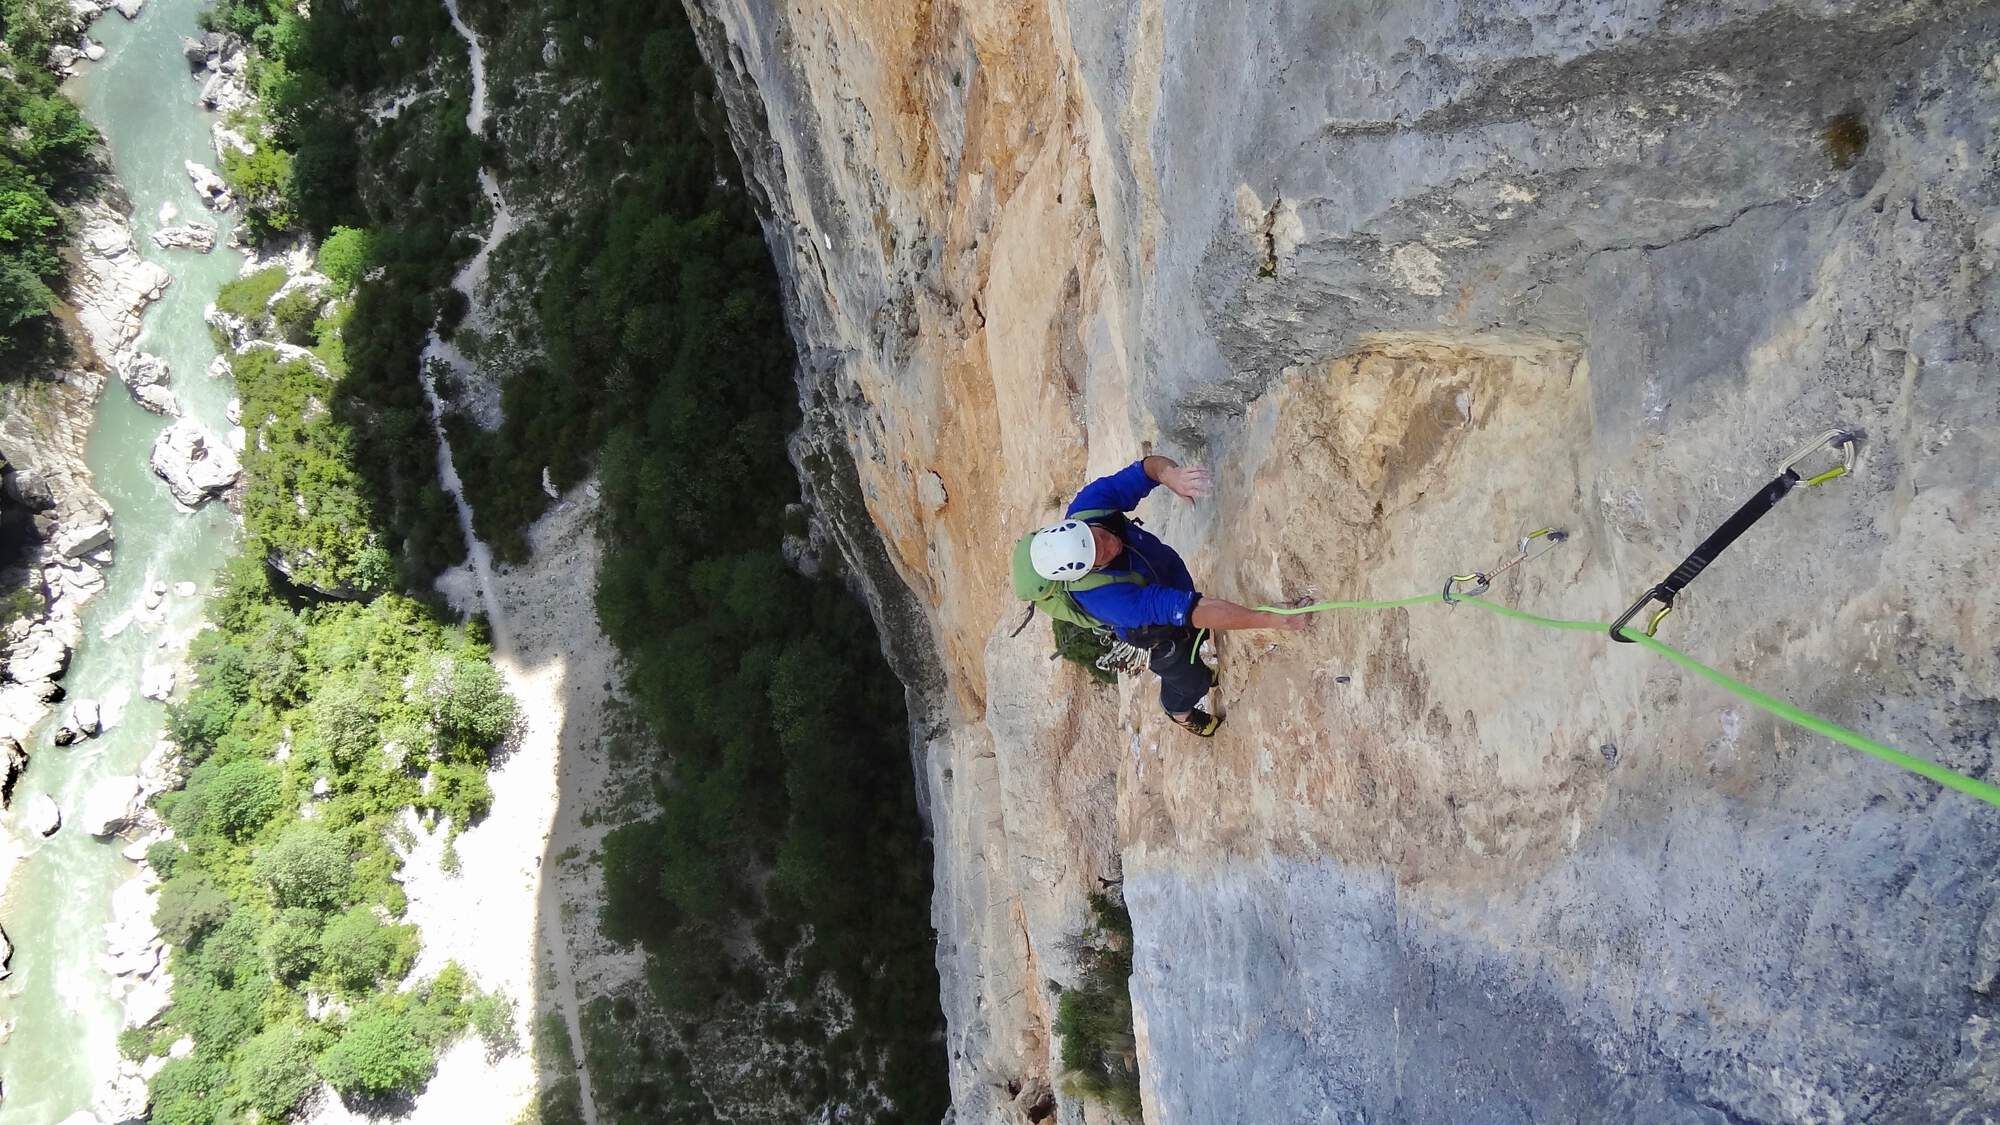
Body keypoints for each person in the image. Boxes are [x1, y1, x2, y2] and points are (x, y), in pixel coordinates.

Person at [1026, 455, 1308, 736]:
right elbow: (1191, 610)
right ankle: (1178, 711)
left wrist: (1170, 475)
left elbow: (1145, 469)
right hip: (1154, 634)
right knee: (1191, 680)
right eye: (1098, 554)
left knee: (1199, 640)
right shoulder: (1110, 600)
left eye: (1096, 535)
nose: (1107, 543)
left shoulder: (1089, 506)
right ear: (1086, 571)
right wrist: (1272, 619)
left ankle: (1198, 672)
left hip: (1166, 578)